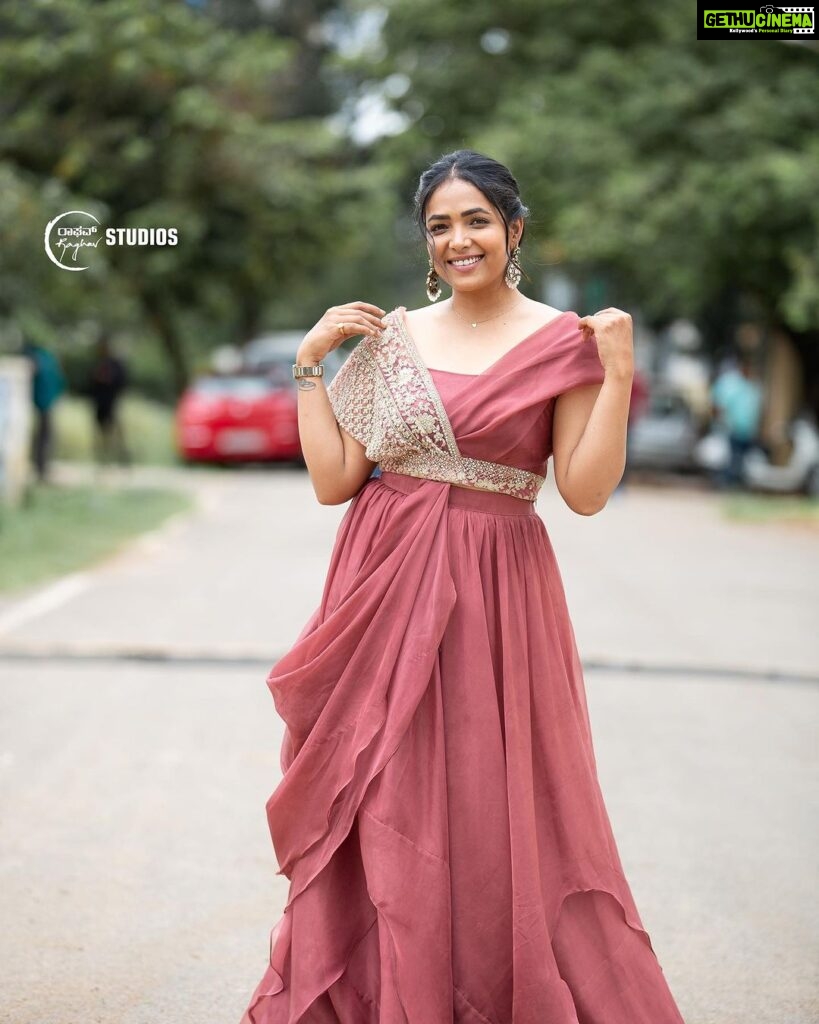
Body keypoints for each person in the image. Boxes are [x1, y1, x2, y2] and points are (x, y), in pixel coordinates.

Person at [239, 150, 686, 1024]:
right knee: (379, 789)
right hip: (379, 585)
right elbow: (336, 480)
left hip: (493, 592)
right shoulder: (392, 340)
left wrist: (619, 374)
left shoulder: (565, 342)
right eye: (439, 225)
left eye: (475, 220)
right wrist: (308, 366)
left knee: (488, 806)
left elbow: (585, 494)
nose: (458, 240)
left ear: (513, 230)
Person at [709, 354, 764, 490]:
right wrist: (720, 423)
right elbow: (717, 404)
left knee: (743, 460)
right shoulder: (730, 383)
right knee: (731, 458)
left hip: (747, 431)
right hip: (731, 429)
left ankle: (735, 484)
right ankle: (727, 485)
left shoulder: (754, 385)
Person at [21, 340, 65, 483]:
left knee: (43, 437)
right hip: (44, 402)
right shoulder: (47, 359)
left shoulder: (39, 358)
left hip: (41, 402)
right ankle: (41, 468)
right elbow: (59, 380)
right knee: (44, 437)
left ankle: (41, 468)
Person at [86, 335, 131, 466]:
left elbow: (122, 382)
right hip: (99, 403)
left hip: (112, 402)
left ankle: (122, 460)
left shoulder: (115, 364)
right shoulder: (97, 363)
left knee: (115, 433)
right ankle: (103, 461)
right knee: (101, 433)